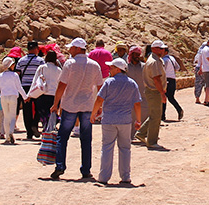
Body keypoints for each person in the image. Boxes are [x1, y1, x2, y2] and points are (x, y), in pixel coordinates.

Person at [50, 37, 103, 180]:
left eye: (72, 47)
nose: (69, 50)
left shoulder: (70, 64)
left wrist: (56, 104)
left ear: (78, 48)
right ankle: (86, 170)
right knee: (86, 139)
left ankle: (60, 166)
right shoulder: (94, 65)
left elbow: (62, 85)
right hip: (87, 105)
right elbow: (99, 86)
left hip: (70, 105)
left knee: (63, 136)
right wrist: (100, 105)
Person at [91, 58, 141, 185]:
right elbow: (137, 104)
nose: (109, 69)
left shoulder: (109, 83)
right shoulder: (132, 83)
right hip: (125, 120)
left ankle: (103, 177)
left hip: (109, 120)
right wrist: (138, 120)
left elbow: (99, 99)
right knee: (125, 148)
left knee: (107, 147)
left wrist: (93, 114)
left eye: (112, 67)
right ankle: (125, 176)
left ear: (118, 69)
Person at [135, 40, 168, 149]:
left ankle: (141, 133)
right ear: (154, 49)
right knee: (156, 117)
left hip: (153, 91)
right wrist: (162, 93)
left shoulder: (156, 60)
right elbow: (156, 79)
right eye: (160, 48)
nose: (162, 50)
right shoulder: (154, 61)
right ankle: (151, 141)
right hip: (154, 91)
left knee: (154, 115)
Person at [0, 56, 28, 144]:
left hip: (3, 97)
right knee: (12, 117)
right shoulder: (15, 75)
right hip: (13, 97)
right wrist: (25, 97)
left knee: (6, 117)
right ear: (11, 65)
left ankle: (7, 137)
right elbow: (19, 87)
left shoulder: (0, 76)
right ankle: (11, 131)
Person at [15, 41, 45, 139]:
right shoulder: (40, 61)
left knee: (26, 110)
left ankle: (29, 132)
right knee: (39, 108)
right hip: (36, 87)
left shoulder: (21, 61)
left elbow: (18, 74)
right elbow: (43, 74)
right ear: (36, 49)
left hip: (25, 87)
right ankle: (35, 124)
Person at [29, 50, 62, 130]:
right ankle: (50, 129)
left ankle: (45, 129)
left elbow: (35, 80)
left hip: (42, 94)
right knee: (52, 114)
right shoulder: (58, 70)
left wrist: (29, 94)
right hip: (54, 95)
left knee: (43, 113)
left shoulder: (42, 67)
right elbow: (61, 84)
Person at [125, 46, 149, 120]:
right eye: (135, 54)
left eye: (138, 54)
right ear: (131, 55)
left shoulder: (144, 67)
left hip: (143, 97)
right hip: (129, 98)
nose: (137, 56)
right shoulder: (126, 68)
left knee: (143, 118)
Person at [194, 37, 209, 106]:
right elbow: (208, 59)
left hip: (201, 68)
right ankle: (207, 98)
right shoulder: (206, 51)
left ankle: (199, 98)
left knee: (199, 83)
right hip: (205, 68)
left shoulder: (200, 52)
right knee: (208, 84)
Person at [162, 49, 184, 122]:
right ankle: (179, 109)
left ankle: (163, 116)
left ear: (165, 52)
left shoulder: (164, 60)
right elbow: (177, 68)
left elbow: (162, 70)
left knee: (164, 97)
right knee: (171, 97)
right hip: (173, 79)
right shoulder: (172, 58)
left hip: (166, 79)